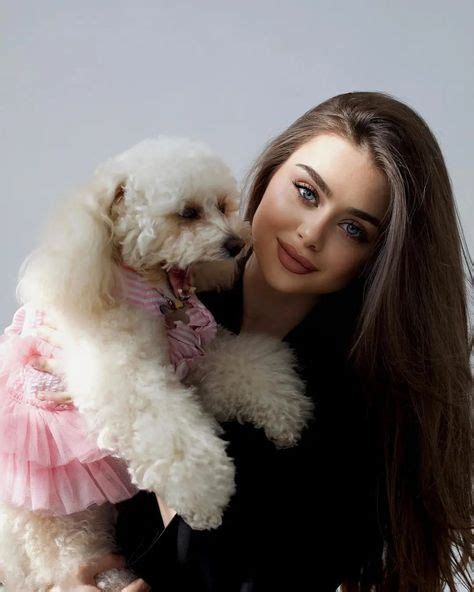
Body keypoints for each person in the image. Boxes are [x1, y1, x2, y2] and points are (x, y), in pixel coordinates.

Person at [31, 91, 472, 591]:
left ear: (379, 255)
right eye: (306, 193)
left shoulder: (356, 409)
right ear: (268, 177)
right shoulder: (139, 300)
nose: (311, 233)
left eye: (352, 227)